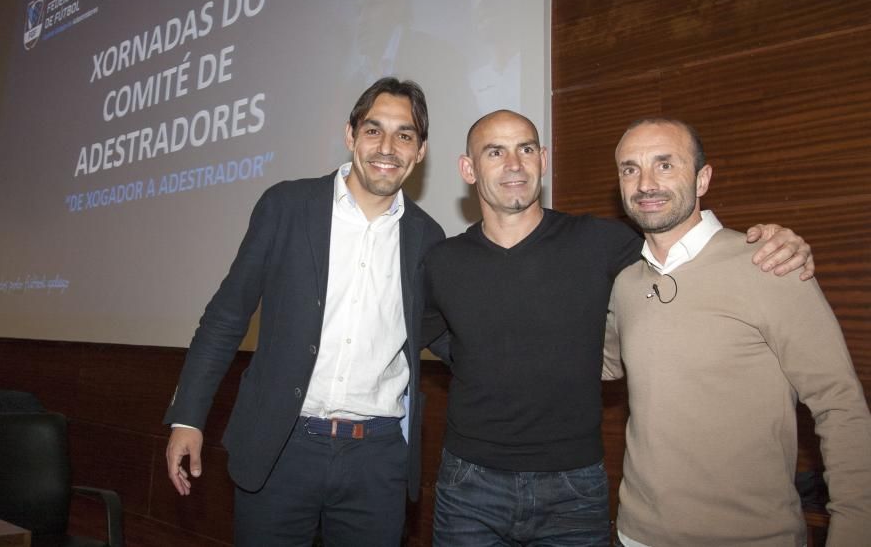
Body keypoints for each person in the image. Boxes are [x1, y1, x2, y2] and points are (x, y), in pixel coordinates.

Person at [423, 110, 814, 546]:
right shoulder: (443, 261)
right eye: (495, 152)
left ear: (543, 159)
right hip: (468, 485)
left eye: (526, 149)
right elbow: (428, 328)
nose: (514, 164)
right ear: (468, 169)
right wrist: (474, 358)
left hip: (574, 488)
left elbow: (687, 247)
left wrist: (772, 239)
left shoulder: (602, 241)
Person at [164, 77, 445, 546]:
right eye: (374, 130)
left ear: (420, 152)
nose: (388, 147)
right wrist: (188, 416)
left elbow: (444, 332)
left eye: (405, 135)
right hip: (280, 447)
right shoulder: (286, 206)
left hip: (376, 462)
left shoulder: (429, 239)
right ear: (350, 135)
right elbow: (225, 317)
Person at [604, 118, 871, 546]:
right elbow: (596, 362)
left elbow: (840, 406)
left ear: (703, 178)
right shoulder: (626, 284)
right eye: (630, 168)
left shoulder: (769, 265)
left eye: (665, 165)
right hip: (636, 535)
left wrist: (855, 532)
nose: (645, 183)